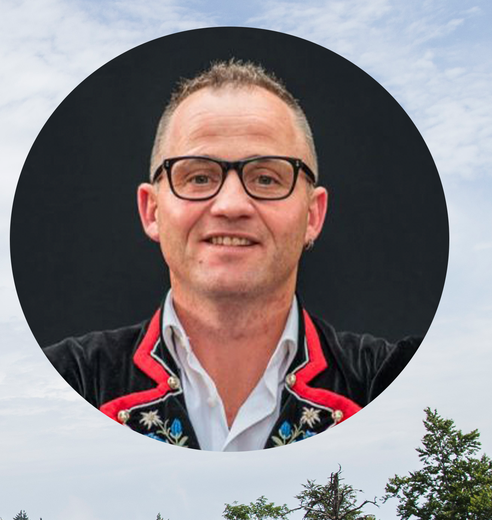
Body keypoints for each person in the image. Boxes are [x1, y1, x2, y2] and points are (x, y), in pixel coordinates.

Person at [40, 59, 416, 451]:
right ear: (152, 211)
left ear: (313, 214)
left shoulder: (395, 384)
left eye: (267, 178)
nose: (231, 204)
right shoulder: (64, 383)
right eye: (199, 177)